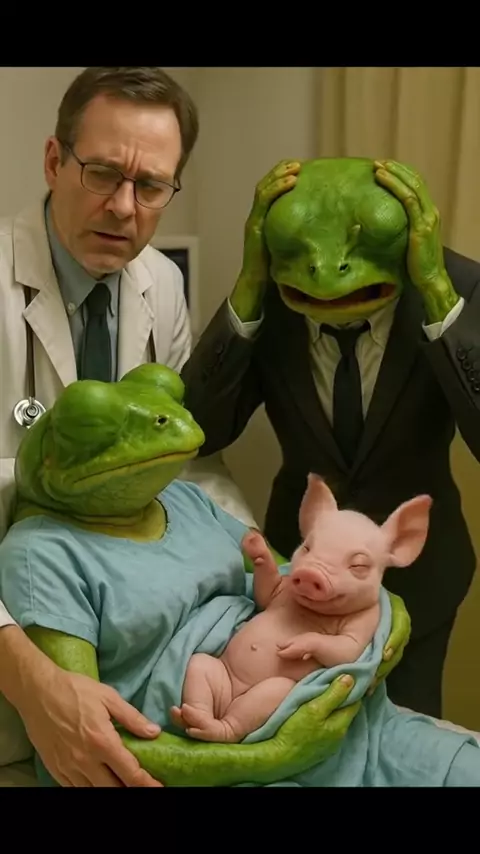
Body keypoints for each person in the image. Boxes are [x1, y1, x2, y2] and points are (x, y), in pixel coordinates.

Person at [0, 66, 255, 787]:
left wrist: (257, 555)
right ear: (54, 161)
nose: (123, 207)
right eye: (103, 173)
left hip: (118, 633)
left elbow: (180, 457)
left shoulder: (161, 284)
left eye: (151, 186)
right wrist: (30, 679)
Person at [180, 157, 480, 720]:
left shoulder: (460, 287)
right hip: (296, 584)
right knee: (286, 730)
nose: (327, 271)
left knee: (405, 733)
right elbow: (198, 430)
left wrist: (437, 294)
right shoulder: (272, 293)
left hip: (419, 577)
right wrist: (250, 286)